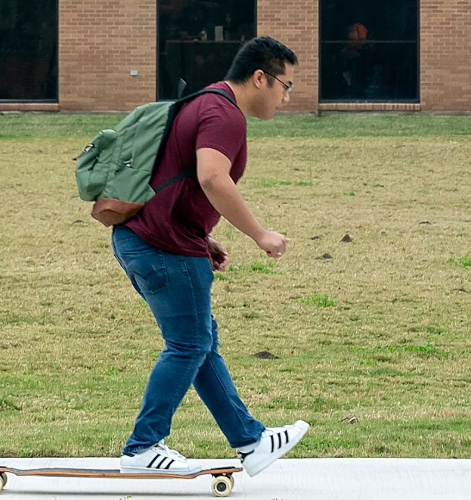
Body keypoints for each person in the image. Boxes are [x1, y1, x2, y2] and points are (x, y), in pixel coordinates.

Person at [113, 36, 310, 477]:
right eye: (286, 85)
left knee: (200, 344)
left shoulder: (205, 100)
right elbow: (211, 178)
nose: (286, 96)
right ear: (260, 77)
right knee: (188, 345)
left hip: (149, 240)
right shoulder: (224, 114)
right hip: (163, 247)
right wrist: (260, 234)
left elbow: (173, 178)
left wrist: (203, 238)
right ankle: (142, 447)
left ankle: (250, 441)